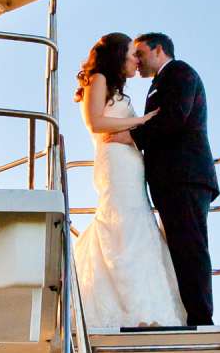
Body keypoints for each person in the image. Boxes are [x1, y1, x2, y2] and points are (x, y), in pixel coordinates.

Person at [70, 33, 187, 331]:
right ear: (118, 55)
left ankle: (147, 310)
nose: (136, 60)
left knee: (139, 227)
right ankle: (121, 308)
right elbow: (96, 122)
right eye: (131, 54)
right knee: (122, 225)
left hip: (133, 165)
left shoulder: (119, 91)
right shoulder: (97, 80)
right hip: (115, 164)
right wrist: (140, 121)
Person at [129, 32, 217, 327]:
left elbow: (174, 117)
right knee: (180, 246)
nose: (136, 61)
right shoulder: (158, 82)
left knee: (190, 246)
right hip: (172, 179)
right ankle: (190, 312)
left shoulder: (179, 72)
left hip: (185, 175)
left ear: (158, 50)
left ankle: (202, 319)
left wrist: (130, 136)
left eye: (140, 53)